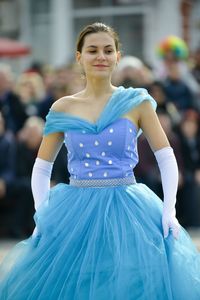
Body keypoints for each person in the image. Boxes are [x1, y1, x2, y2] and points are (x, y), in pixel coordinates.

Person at [0, 22, 200, 300]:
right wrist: (41, 215)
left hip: (130, 209)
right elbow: (42, 167)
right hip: (75, 209)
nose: (101, 56)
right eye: (92, 50)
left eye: (108, 50)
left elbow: (165, 157)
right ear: (79, 56)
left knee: (130, 282)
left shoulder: (136, 102)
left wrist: (169, 210)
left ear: (118, 56)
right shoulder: (62, 107)